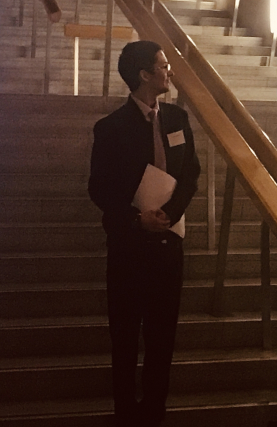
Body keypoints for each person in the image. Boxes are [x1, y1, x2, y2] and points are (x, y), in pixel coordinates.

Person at [89, 41, 200, 426]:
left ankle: (154, 412)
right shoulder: (110, 128)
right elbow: (99, 189)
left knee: (162, 340)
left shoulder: (177, 118)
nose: (169, 71)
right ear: (144, 75)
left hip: (169, 246)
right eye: (163, 65)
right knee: (124, 340)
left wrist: (169, 214)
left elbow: (191, 175)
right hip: (128, 249)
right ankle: (125, 414)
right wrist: (136, 220)